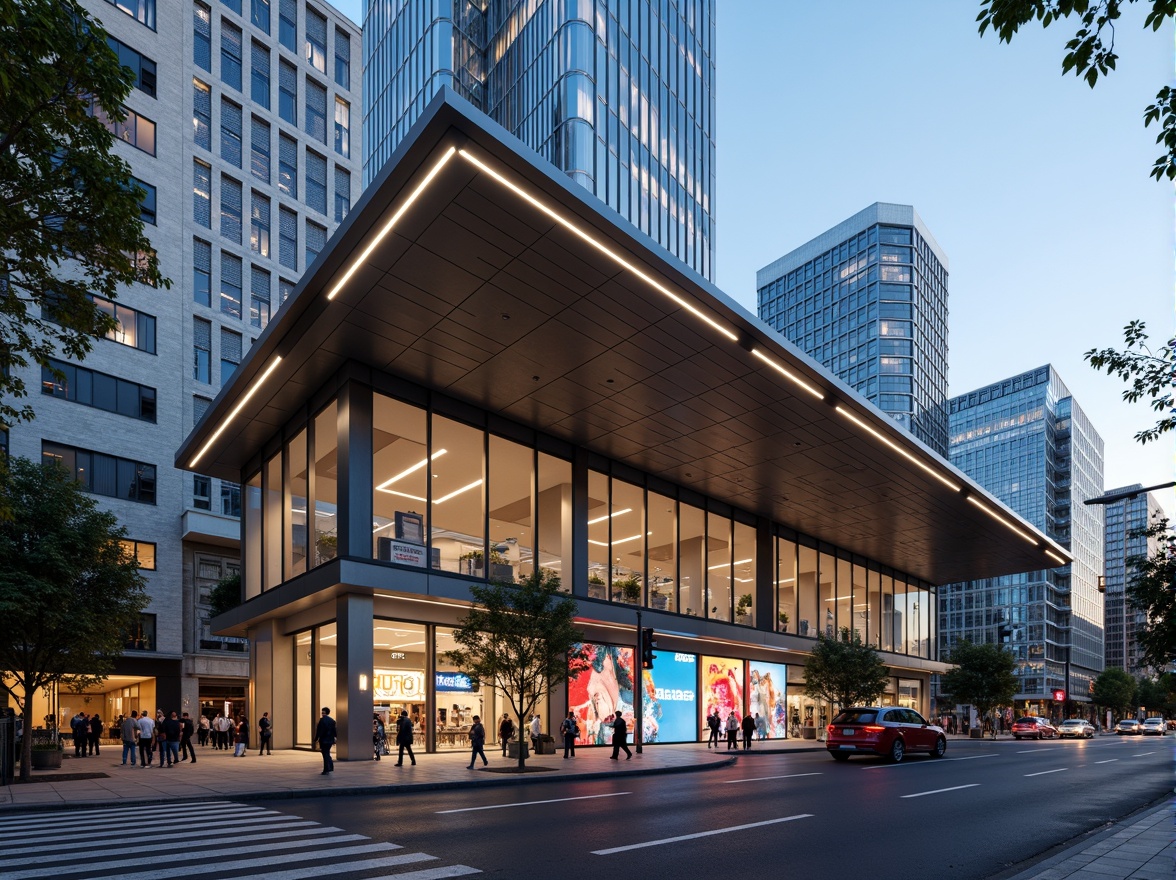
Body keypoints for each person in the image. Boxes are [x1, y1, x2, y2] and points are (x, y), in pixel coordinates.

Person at [313, 707, 336, 774]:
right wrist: (334, 738)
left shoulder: (322, 721)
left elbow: (319, 731)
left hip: (324, 740)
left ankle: (326, 769)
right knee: (327, 753)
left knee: (325, 754)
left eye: (323, 713)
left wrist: (316, 739)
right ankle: (330, 767)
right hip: (330, 740)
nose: (322, 714)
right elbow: (334, 731)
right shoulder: (332, 721)